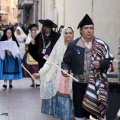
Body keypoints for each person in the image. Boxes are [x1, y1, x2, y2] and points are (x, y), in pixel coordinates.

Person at [61, 14, 113, 120]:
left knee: (94, 115)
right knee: (79, 114)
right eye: (86, 28)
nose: (89, 30)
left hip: (96, 85)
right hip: (78, 84)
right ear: (81, 30)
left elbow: (108, 62)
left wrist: (101, 63)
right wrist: (65, 69)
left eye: (91, 28)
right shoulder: (73, 45)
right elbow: (66, 61)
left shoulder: (101, 45)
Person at [33, 26, 74, 120]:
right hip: (61, 80)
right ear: (63, 34)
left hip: (73, 80)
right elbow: (49, 62)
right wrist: (40, 73)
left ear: (73, 34)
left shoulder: (76, 46)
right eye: (66, 33)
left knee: (73, 108)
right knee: (63, 106)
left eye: (70, 33)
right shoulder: (58, 47)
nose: (68, 35)